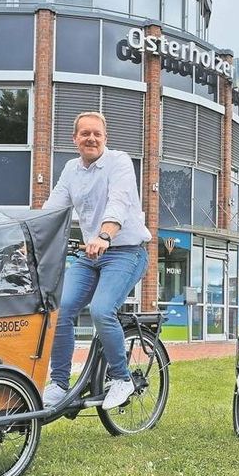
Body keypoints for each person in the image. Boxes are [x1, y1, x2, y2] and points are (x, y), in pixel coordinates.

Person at [42, 111, 152, 410]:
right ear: (74, 138)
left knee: (102, 310)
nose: (91, 138)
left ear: (105, 138)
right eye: (85, 134)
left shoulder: (119, 162)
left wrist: (104, 235)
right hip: (91, 256)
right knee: (61, 309)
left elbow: (119, 200)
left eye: (97, 134)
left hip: (126, 251)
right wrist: (30, 240)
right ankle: (59, 384)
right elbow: (53, 210)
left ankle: (121, 378)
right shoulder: (70, 170)